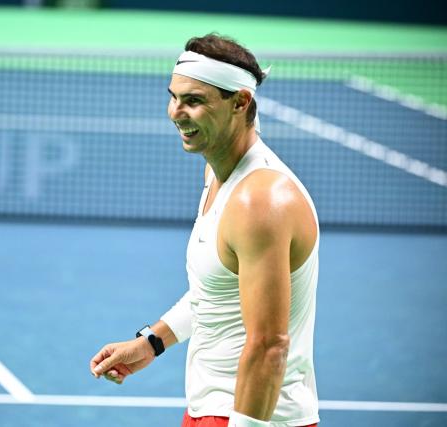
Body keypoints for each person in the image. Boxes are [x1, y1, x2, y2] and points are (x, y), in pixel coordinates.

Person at [90, 33, 320, 427]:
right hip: (211, 408)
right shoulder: (218, 176)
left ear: (240, 103)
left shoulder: (258, 200)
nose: (175, 112)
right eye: (174, 96)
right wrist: (152, 342)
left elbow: (269, 345)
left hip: (252, 416)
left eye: (194, 101)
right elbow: (216, 292)